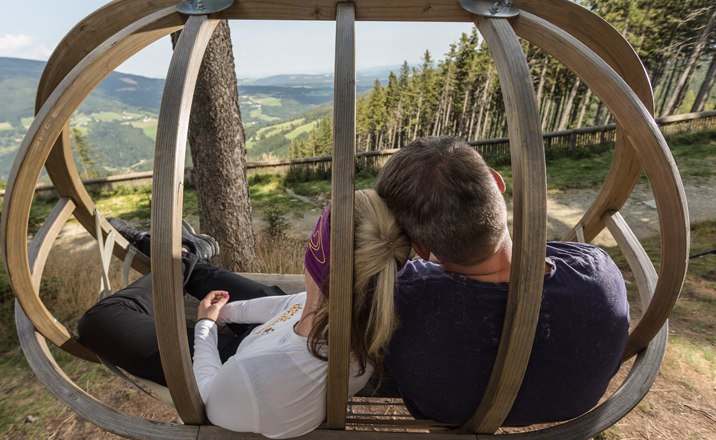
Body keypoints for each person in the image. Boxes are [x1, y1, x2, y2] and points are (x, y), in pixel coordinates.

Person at [77, 189, 411, 438]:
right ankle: (186, 255)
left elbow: (208, 392)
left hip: (249, 369)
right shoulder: (357, 311)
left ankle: (182, 256)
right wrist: (227, 313)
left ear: (315, 256)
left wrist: (206, 326)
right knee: (213, 280)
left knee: (100, 321)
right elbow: (288, 306)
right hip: (274, 347)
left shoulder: (253, 375)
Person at [375, 136, 630, 426]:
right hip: (577, 402)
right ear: (497, 182)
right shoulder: (597, 271)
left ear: (419, 248)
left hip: (455, 413)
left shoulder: (402, 302)